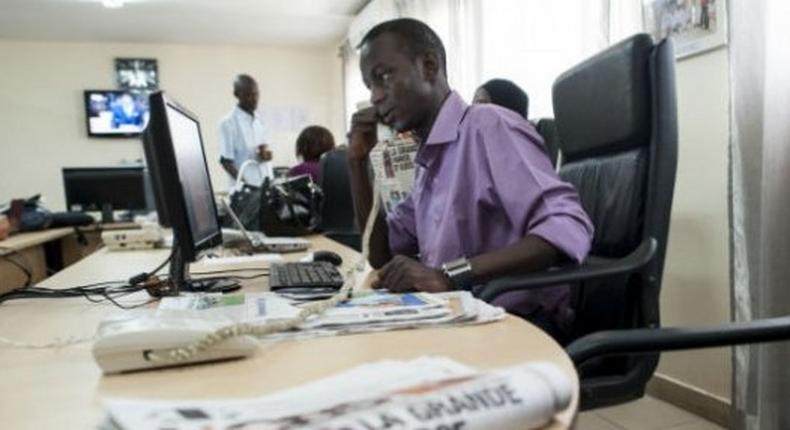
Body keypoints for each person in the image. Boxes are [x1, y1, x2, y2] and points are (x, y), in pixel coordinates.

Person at [348, 18, 594, 341]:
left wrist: (450, 275)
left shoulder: (489, 126)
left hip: (517, 325)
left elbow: (568, 227)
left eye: (383, 77)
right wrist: (356, 162)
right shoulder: (427, 162)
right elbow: (382, 256)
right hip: (459, 319)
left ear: (429, 66)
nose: (376, 97)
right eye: (370, 86)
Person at [218, 74, 274, 188]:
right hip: (246, 192)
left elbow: (261, 151)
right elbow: (225, 162)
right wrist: (245, 185)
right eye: (248, 95)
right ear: (236, 94)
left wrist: (267, 155)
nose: (254, 99)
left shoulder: (260, 120)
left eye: (256, 94)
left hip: (266, 186)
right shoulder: (228, 123)